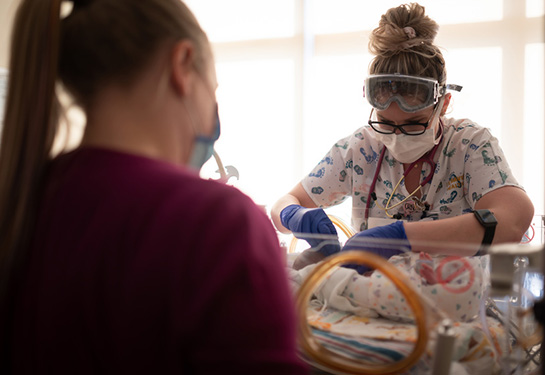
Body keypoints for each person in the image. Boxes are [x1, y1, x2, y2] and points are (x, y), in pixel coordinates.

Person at [0, 0, 307, 374]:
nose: (213, 112)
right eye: (213, 89)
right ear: (182, 64)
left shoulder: (19, 200)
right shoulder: (222, 223)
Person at [271, 3, 534, 271]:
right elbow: (283, 205)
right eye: (386, 122)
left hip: (453, 302)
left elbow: (513, 220)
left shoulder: (468, 144)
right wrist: (295, 215)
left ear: (443, 105)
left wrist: (402, 237)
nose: (398, 135)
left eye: (414, 124)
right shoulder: (360, 148)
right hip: (370, 300)